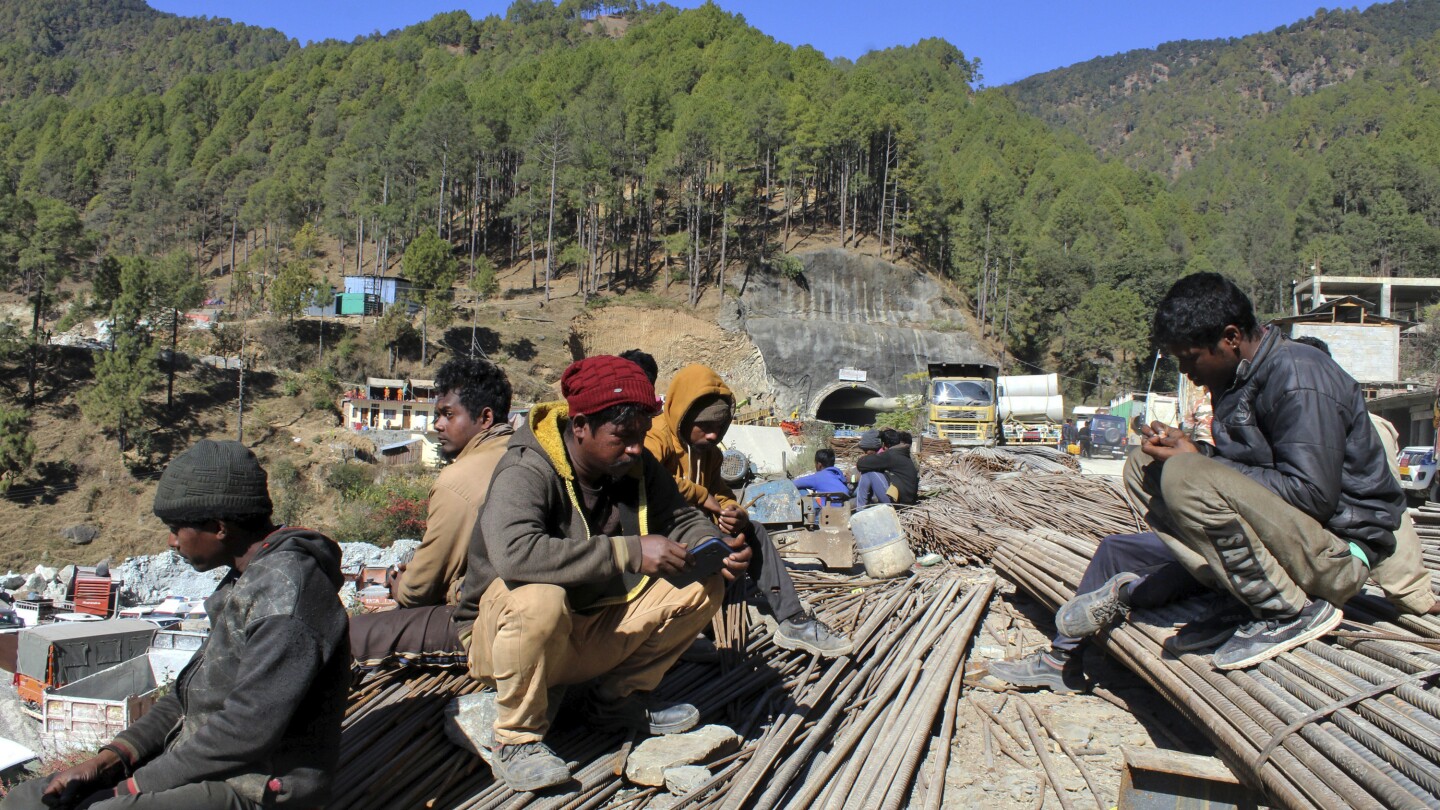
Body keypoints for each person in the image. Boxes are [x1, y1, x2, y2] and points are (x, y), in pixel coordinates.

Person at [449, 356, 750, 792]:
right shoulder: (527, 469)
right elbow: (515, 555)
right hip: (504, 638)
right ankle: (516, 737)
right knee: (540, 598)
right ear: (581, 426)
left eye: (641, 436)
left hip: (588, 623)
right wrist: (627, 552)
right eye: (622, 437)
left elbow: (681, 516)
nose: (634, 448)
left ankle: (612, 699)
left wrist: (711, 548)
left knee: (703, 584)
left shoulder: (635, 464)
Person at [2, 440, 350, 810]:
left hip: (260, 787)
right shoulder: (246, 580)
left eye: (176, 528)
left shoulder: (287, 596)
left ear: (218, 527)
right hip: (213, 767)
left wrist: (129, 788)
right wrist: (109, 760)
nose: (171, 541)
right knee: (28, 799)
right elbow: (184, 698)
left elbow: (245, 732)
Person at [645, 364, 851, 658]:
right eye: (705, 426)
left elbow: (720, 494)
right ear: (683, 414)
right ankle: (677, 631)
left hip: (695, 530)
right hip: (658, 532)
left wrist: (733, 510)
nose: (714, 435)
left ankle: (792, 620)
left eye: (720, 427)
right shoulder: (655, 438)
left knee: (752, 531)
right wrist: (702, 496)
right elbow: (649, 478)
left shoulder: (710, 453)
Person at [349, 357, 514, 669]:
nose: (437, 424)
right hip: (522, 610)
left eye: (448, 415)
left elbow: (421, 589)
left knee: (355, 635)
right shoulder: (522, 453)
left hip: (492, 624)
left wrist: (402, 585)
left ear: (485, 417)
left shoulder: (459, 481)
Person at [856, 428, 919, 507]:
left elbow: (861, 464)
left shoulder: (891, 455)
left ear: (883, 445)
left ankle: (860, 509)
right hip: (906, 499)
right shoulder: (902, 453)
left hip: (898, 502)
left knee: (869, 473)